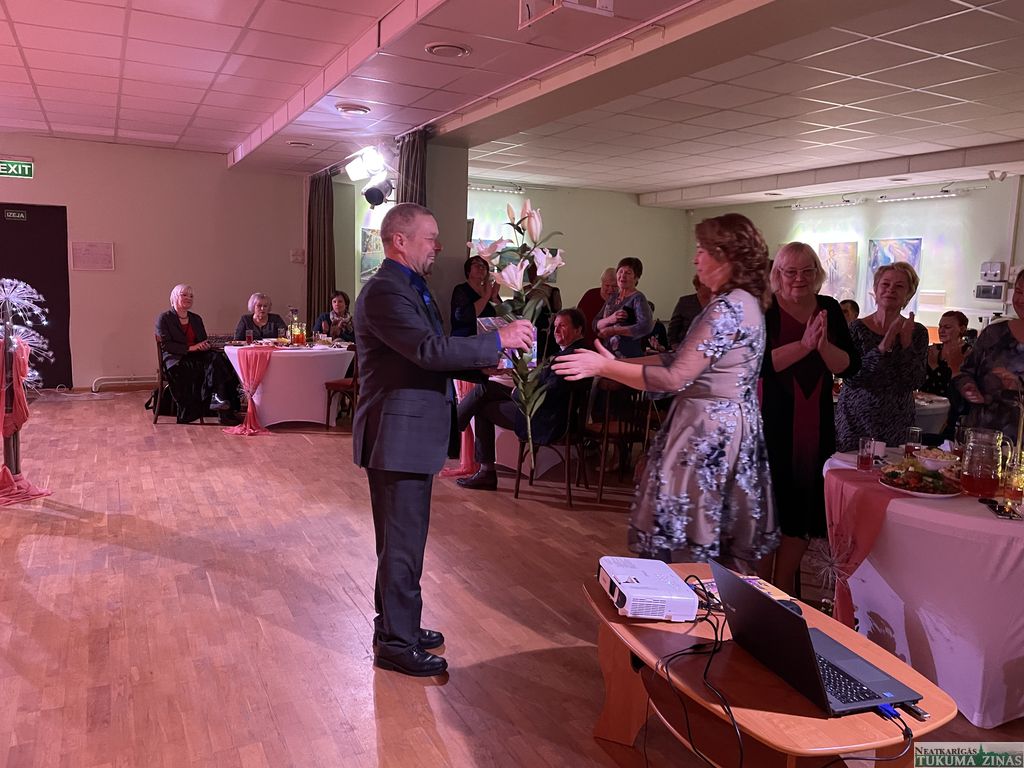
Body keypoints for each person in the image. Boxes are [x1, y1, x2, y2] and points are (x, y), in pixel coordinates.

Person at [353, 203, 533, 678]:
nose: (439, 245)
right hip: (397, 436)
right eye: (430, 236)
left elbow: (423, 357)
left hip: (405, 434)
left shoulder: (409, 286)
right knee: (402, 544)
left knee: (401, 542)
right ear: (400, 241)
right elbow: (426, 349)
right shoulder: (385, 291)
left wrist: (482, 366)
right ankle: (396, 643)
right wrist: (497, 340)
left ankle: (396, 626)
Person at [554, 213, 779, 572]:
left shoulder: (727, 309)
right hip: (729, 427)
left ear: (726, 256)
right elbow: (679, 357)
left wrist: (603, 368)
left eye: (703, 250)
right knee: (708, 544)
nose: (696, 259)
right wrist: (620, 363)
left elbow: (675, 377)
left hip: (707, 434)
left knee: (686, 549)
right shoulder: (745, 301)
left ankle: (678, 602)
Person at [760, 243, 860, 595]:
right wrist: (803, 345)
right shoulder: (764, 308)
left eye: (807, 271)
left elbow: (849, 366)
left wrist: (822, 346)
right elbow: (759, 364)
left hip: (814, 422)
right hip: (769, 423)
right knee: (767, 509)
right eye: (791, 272)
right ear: (778, 274)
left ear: (817, 273)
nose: (799, 278)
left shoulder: (829, 308)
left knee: (801, 506)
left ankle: (783, 586)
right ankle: (760, 590)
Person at [455, 308, 590, 491]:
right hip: (545, 410)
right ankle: (455, 425)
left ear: (578, 329)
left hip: (544, 418)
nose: (556, 331)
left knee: (482, 407)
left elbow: (548, 392)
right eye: (555, 326)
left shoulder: (569, 357)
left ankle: (482, 467)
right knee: (488, 388)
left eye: (563, 326)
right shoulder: (576, 352)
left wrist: (519, 392)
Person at [835, 263, 928, 451]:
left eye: (899, 286)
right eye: (885, 284)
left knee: (895, 468)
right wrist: (883, 345)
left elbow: (915, 381)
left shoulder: (916, 331)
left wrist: (906, 343)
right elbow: (852, 378)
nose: (890, 290)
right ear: (876, 290)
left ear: (908, 294)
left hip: (897, 422)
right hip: (855, 421)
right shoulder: (856, 329)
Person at [156, 284, 241, 426]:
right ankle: (222, 408)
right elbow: (166, 345)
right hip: (177, 359)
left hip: (196, 356)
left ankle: (219, 401)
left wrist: (204, 346)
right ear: (174, 297)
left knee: (219, 360)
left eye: (191, 296)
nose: (189, 298)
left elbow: (202, 340)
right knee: (214, 367)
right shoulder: (164, 318)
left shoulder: (196, 318)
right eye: (184, 295)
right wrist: (190, 348)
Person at [953, 272, 1024, 441]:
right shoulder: (994, 333)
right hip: (982, 436)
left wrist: (1018, 387)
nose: (1021, 300)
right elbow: (965, 372)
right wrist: (968, 387)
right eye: (1019, 291)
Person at [593, 257, 654, 358]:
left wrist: (614, 330)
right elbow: (595, 324)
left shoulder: (638, 298)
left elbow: (645, 326)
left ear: (636, 278)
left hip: (628, 356)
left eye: (628, 273)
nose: (623, 276)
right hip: (608, 355)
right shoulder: (613, 297)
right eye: (620, 271)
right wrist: (610, 319)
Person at [921, 310, 970, 397]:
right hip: (924, 402)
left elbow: (957, 387)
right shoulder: (932, 349)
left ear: (962, 329)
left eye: (947, 327)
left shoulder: (969, 353)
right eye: (940, 326)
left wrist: (934, 366)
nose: (941, 331)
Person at [450, 255, 499, 337]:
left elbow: (501, 315)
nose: (481, 268)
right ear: (468, 271)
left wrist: (494, 296)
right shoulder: (461, 289)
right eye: (476, 264)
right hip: (466, 339)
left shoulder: (489, 290)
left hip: (488, 338)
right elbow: (465, 317)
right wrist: (486, 297)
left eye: (484, 266)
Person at [667, 275, 712, 348]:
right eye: (705, 284)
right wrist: (674, 344)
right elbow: (673, 326)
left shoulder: (718, 302)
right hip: (686, 346)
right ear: (697, 286)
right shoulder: (685, 301)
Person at [576, 267, 615, 345]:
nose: (610, 290)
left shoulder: (625, 300)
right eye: (607, 285)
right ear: (601, 283)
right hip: (587, 344)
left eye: (614, 286)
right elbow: (576, 320)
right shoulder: (590, 295)